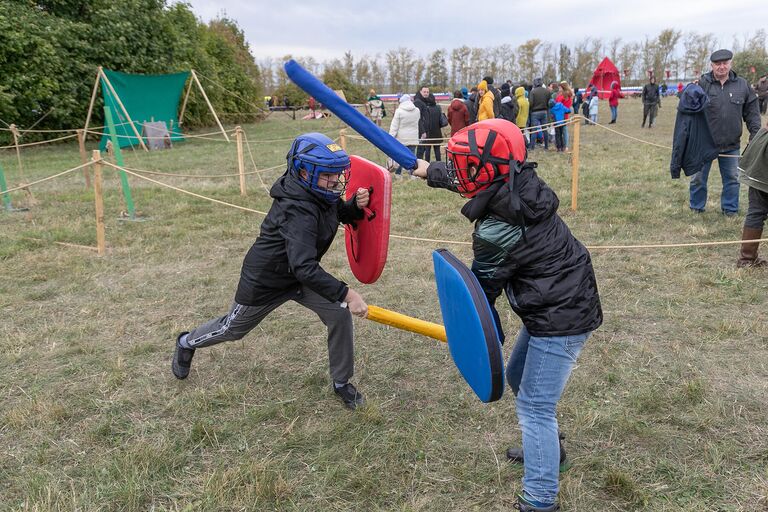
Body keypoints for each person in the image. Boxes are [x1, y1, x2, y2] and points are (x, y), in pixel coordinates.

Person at [412, 120, 602, 512]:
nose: (458, 171)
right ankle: (550, 450)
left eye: (464, 165)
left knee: (534, 406)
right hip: (554, 299)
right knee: (518, 377)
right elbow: (472, 180)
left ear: (487, 169)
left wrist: (471, 330)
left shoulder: (499, 230)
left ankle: (540, 499)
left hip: (561, 313)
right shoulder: (519, 181)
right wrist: (422, 170)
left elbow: (481, 294)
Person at [172, 133, 370, 410]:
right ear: (304, 171)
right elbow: (303, 266)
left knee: (338, 315)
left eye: (337, 174)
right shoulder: (297, 208)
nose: (336, 181)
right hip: (267, 280)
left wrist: (354, 207)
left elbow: (338, 213)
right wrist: (348, 293)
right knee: (233, 328)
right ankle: (186, 342)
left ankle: (341, 382)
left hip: (300, 275)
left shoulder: (318, 191)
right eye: (328, 175)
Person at [692, 49, 761, 215]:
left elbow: (752, 113)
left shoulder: (742, 85)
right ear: (712, 65)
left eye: (725, 63)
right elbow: (689, 109)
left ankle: (730, 210)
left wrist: (755, 136)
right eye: (718, 64)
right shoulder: (702, 84)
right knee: (698, 178)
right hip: (704, 143)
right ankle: (696, 207)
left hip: (731, 144)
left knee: (732, 179)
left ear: (730, 64)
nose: (721, 67)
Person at [736, 124, 768, 267]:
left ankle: (747, 259)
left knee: (756, 210)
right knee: (757, 210)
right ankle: (747, 258)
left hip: (761, 149)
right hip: (763, 154)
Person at [389, 94, 421, 177]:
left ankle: (398, 173)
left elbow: (394, 126)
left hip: (401, 138)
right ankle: (413, 173)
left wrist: (390, 137)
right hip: (413, 137)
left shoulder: (399, 111)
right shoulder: (417, 110)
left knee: (400, 156)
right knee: (412, 156)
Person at [413, 85, 443, 162]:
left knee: (425, 149)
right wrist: (422, 131)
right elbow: (418, 118)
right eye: (424, 92)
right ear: (420, 92)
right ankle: (419, 166)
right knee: (421, 150)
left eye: (427, 92)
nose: (426, 93)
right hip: (422, 130)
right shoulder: (418, 102)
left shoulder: (428, 102)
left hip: (429, 129)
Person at [528, 77, 549, 150]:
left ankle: (532, 147)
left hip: (535, 112)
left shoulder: (533, 92)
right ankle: (546, 146)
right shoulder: (547, 91)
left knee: (534, 130)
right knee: (545, 130)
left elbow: (530, 103)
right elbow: (548, 102)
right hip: (544, 111)